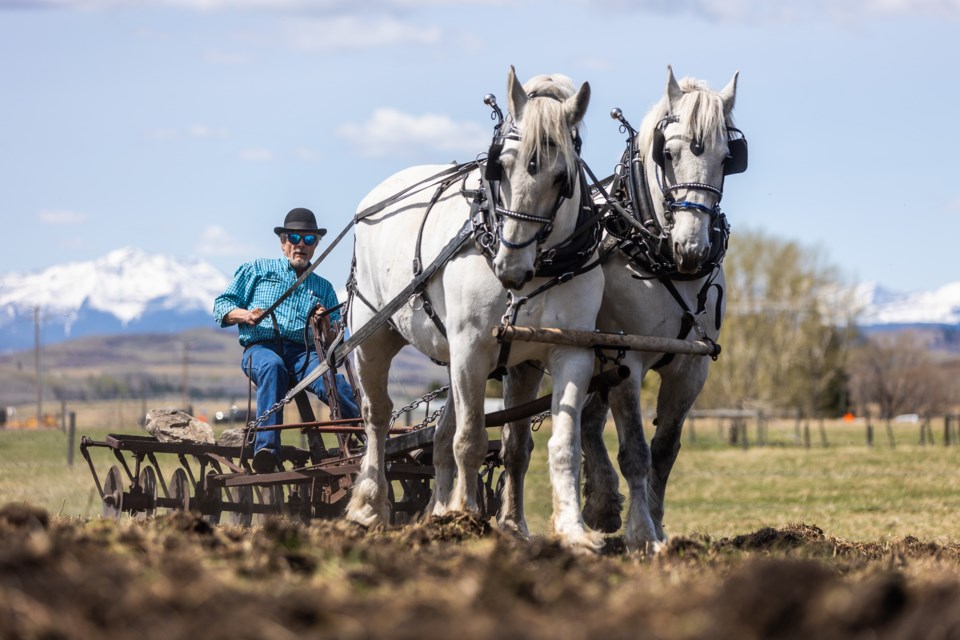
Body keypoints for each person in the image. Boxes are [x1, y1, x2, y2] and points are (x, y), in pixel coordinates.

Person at [213, 207, 359, 473]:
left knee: (332, 379)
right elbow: (222, 306)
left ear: (316, 245)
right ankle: (267, 450)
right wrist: (245, 315)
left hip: (305, 353)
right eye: (294, 237)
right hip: (261, 349)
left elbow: (334, 338)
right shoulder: (256, 270)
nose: (301, 245)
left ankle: (368, 435)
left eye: (309, 240)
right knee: (272, 367)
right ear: (283, 242)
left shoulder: (323, 287)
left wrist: (325, 324)